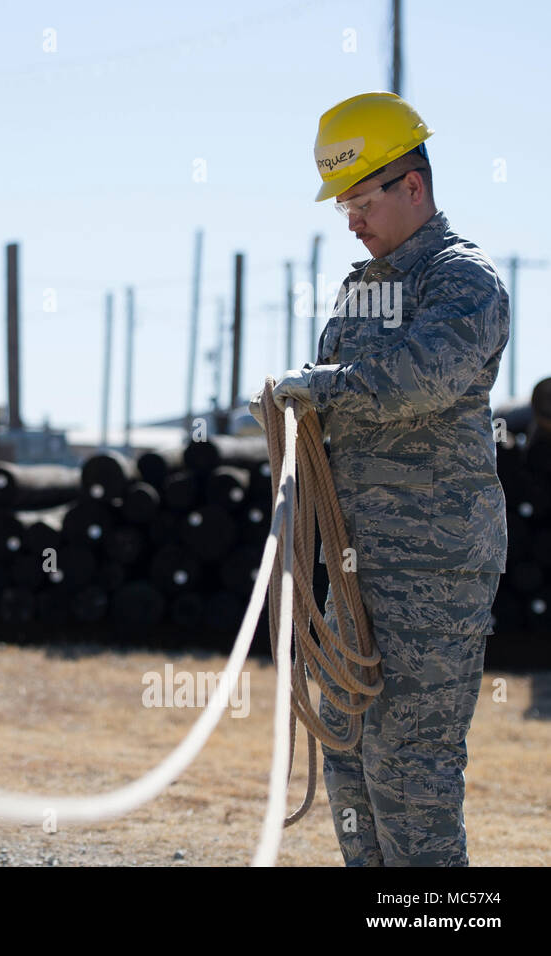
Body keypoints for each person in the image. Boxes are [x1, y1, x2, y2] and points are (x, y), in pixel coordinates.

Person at [257, 91, 509, 866]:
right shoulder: (362, 288)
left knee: (413, 771)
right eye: (345, 206)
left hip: (433, 565)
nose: (353, 219)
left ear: (414, 186)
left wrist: (314, 387)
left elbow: (417, 380)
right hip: (358, 565)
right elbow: (346, 395)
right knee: (351, 759)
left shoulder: (463, 280)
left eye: (364, 200)